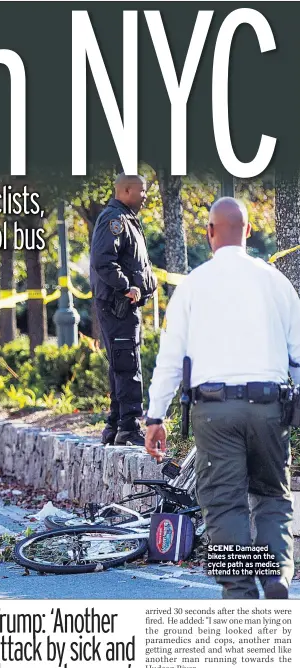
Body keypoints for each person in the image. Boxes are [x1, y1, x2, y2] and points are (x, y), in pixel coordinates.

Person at [145, 197, 300, 599]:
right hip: (270, 407)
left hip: (214, 412)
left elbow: (170, 359)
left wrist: (154, 417)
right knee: (271, 495)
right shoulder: (276, 283)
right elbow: (298, 355)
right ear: (249, 231)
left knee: (225, 502)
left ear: (209, 232)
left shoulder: (193, 285)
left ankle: (242, 591)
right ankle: (276, 577)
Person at [90, 174, 158, 446]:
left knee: (121, 363)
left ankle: (115, 425)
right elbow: (102, 261)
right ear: (126, 190)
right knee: (128, 364)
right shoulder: (115, 220)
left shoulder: (126, 218)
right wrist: (127, 286)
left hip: (123, 307)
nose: (145, 196)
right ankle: (129, 427)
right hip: (119, 306)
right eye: (141, 191)